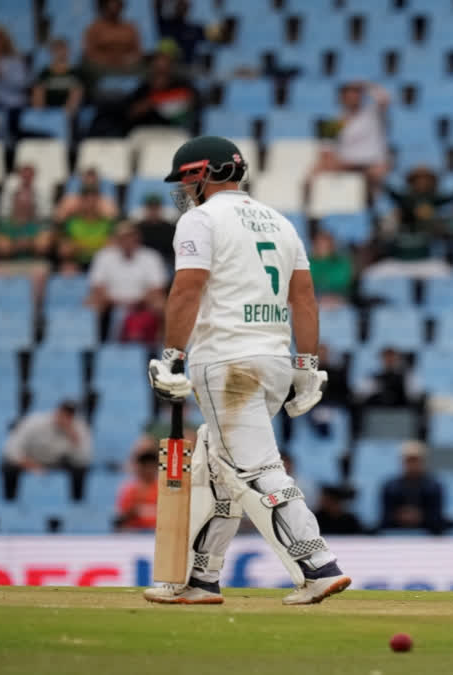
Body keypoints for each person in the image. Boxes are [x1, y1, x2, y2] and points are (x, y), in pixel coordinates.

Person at [143, 135, 349, 605]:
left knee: (255, 470)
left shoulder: (200, 220)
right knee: (217, 473)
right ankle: (200, 579)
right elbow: (304, 299)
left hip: (227, 363)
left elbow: (187, 290)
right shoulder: (280, 222)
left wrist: (173, 356)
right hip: (274, 360)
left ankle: (318, 565)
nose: (184, 190)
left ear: (207, 174)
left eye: (187, 178)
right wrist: (308, 366)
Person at [1, 401, 92, 502]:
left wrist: (73, 436)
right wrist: (30, 465)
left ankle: (77, 503)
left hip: (58, 462)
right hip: (29, 460)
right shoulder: (34, 422)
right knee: (8, 467)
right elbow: (11, 449)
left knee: (80, 470)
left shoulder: (79, 428)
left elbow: (84, 458)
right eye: (62, 414)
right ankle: (9, 501)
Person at [309, 81, 390, 187]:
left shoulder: (373, 114)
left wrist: (367, 85)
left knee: (377, 173)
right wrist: (329, 160)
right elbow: (326, 148)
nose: (353, 99)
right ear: (342, 99)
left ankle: (370, 200)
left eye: (356, 95)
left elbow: (384, 99)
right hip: (346, 162)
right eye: (349, 97)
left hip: (372, 162)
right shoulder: (334, 122)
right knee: (314, 174)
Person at [86, 220, 168, 317]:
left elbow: (157, 288)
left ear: (138, 238)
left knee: (160, 302)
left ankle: (160, 332)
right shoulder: (103, 255)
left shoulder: (151, 256)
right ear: (116, 238)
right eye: (123, 237)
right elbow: (97, 285)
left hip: (143, 301)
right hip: (110, 301)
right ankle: (97, 332)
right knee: (92, 302)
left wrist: (137, 301)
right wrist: (115, 300)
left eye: (131, 236)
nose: (127, 240)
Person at [378, 441, 449, 535]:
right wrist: (401, 516)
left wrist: (420, 516)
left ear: (423, 461)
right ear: (402, 461)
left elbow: (436, 515)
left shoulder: (434, 486)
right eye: (409, 460)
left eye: (415, 460)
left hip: (429, 536)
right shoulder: (390, 486)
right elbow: (385, 516)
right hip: (394, 535)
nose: (412, 464)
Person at [0, 188, 53, 290]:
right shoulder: (3, 225)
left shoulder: (41, 224)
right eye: (21, 202)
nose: (24, 205)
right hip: (9, 264)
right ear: (14, 203)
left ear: (32, 204)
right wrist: (31, 243)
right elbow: (2, 250)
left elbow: (43, 248)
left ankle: (36, 306)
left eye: (27, 202)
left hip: (34, 264)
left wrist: (13, 243)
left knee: (42, 272)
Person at [126, 48, 199, 132]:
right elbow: (131, 113)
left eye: (164, 69)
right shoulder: (143, 89)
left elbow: (190, 100)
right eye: (157, 69)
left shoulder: (183, 85)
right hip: (147, 133)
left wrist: (157, 99)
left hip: (176, 133)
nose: (161, 73)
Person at [57, 184, 116, 270]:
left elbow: (112, 247)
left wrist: (79, 246)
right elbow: (64, 250)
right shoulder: (71, 223)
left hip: (103, 266)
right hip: (77, 265)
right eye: (87, 200)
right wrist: (98, 245)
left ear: (99, 201)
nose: (90, 204)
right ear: (81, 201)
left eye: (93, 200)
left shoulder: (107, 224)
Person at [81, 0, 144, 75]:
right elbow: (89, 53)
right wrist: (107, 60)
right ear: (103, 6)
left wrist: (127, 60)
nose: (114, 6)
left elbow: (138, 51)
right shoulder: (94, 28)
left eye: (117, 3)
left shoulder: (130, 28)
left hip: (127, 67)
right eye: (111, 3)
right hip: (101, 67)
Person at [114, 440, 159, 531]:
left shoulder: (164, 490)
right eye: (145, 465)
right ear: (139, 467)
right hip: (134, 534)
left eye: (151, 465)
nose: (148, 469)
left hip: (158, 533)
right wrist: (131, 512)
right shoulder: (129, 489)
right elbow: (120, 519)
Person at [31, 39, 84, 115]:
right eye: (57, 50)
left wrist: (65, 115)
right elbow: (38, 95)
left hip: (67, 114)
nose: (61, 53)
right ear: (52, 52)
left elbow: (76, 97)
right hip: (47, 112)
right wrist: (40, 113)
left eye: (63, 49)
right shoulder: (45, 73)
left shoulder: (75, 73)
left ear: (68, 51)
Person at [357, 347, 422, 409]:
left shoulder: (407, 378)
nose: (389, 361)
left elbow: (415, 394)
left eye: (392, 358)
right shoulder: (374, 378)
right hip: (378, 412)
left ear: (398, 359)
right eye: (386, 358)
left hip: (401, 412)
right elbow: (361, 393)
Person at [54, 168, 119, 223]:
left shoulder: (104, 203)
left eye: (92, 195)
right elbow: (59, 217)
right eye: (86, 195)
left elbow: (113, 217)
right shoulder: (73, 201)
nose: (89, 200)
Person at [308, 231, 353, 307]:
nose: (323, 247)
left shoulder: (342, 263)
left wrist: (336, 297)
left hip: (339, 301)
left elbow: (346, 284)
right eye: (320, 244)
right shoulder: (307, 263)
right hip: (315, 301)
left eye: (326, 244)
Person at [155, 0, 207, 66]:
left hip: (186, 68)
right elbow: (157, 6)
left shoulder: (195, 30)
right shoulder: (166, 25)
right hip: (168, 68)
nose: (181, 7)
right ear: (175, 6)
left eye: (184, 5)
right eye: (179, 4)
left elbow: (213, 35)